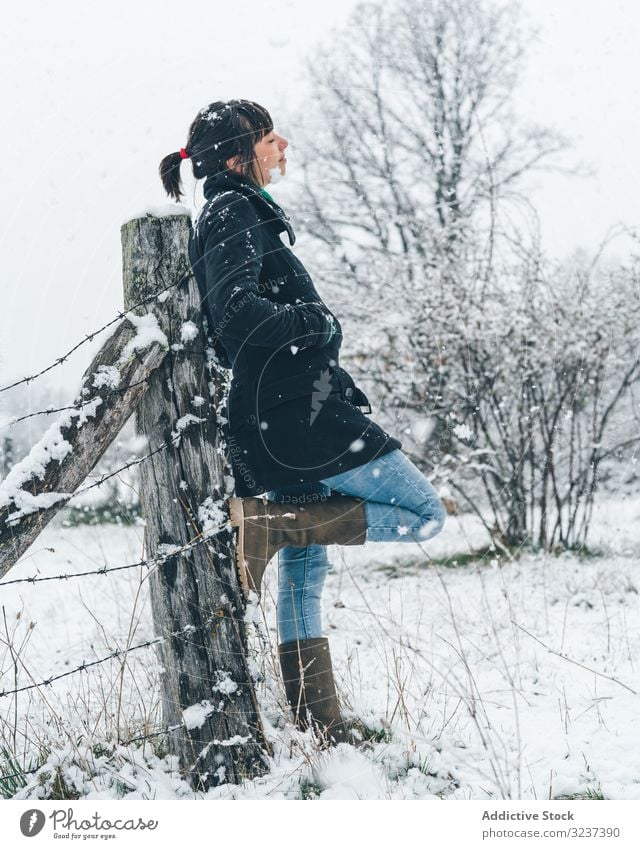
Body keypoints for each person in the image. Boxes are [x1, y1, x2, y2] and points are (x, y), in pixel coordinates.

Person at [159, 99, 448, 745]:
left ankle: (320, 720)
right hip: (301, 412)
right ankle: (267, 524)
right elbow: (237, 315)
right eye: (268, 137)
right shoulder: (235, 209)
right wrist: (317, 323)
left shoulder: (235, 210)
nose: (283, 142)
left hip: (278, 416)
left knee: (307, 566)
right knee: (424, 513)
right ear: (239, 156)